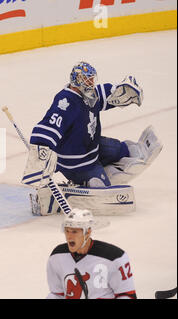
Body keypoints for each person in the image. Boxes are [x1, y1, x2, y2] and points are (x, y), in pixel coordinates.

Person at [23, 61, 162, 215]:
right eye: (87, 79)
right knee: (100, 185)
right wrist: (41, 149)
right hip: (78, 164)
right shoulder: (66, 102)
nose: (91, 82)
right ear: (76, 80)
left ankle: (102, 168)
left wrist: (119, 90)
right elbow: (49, 125)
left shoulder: (89, 94)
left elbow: (104, 95)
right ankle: (81, 182)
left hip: (92, 147)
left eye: (91, 79)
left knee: (121, 148)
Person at [47, 208, 137, 299]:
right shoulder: (56, 256)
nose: (69, 236)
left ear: (88, 232)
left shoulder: (113, 257)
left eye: (74, 232)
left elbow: (127, 295)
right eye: (67, 231)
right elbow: (57, 294)